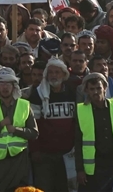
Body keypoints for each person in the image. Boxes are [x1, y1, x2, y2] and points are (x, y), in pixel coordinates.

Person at [0, 66, 38, 191]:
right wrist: (1, 124)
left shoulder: (24, 105)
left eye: (8, 84)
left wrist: (16, 130)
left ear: (14, 86)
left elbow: (34, 133)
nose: (4, 87)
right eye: (1, 83)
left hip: (19, 161)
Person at [27, 56, 77, 192]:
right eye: (51, 72)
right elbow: (32, 124)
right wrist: (35, 150)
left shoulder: (72, 93)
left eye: (57, 72)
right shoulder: (37, 94)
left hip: (68, 154)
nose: (54, 75)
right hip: (44, 155)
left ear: (64, 74)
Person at [76, 72, 113, 192]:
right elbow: (77, 143)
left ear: (105, 88)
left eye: (98, 88)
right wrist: (80, 170)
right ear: (87, 91)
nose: (95, 92)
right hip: (93, 169)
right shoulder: (81, 110)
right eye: (92, 89)